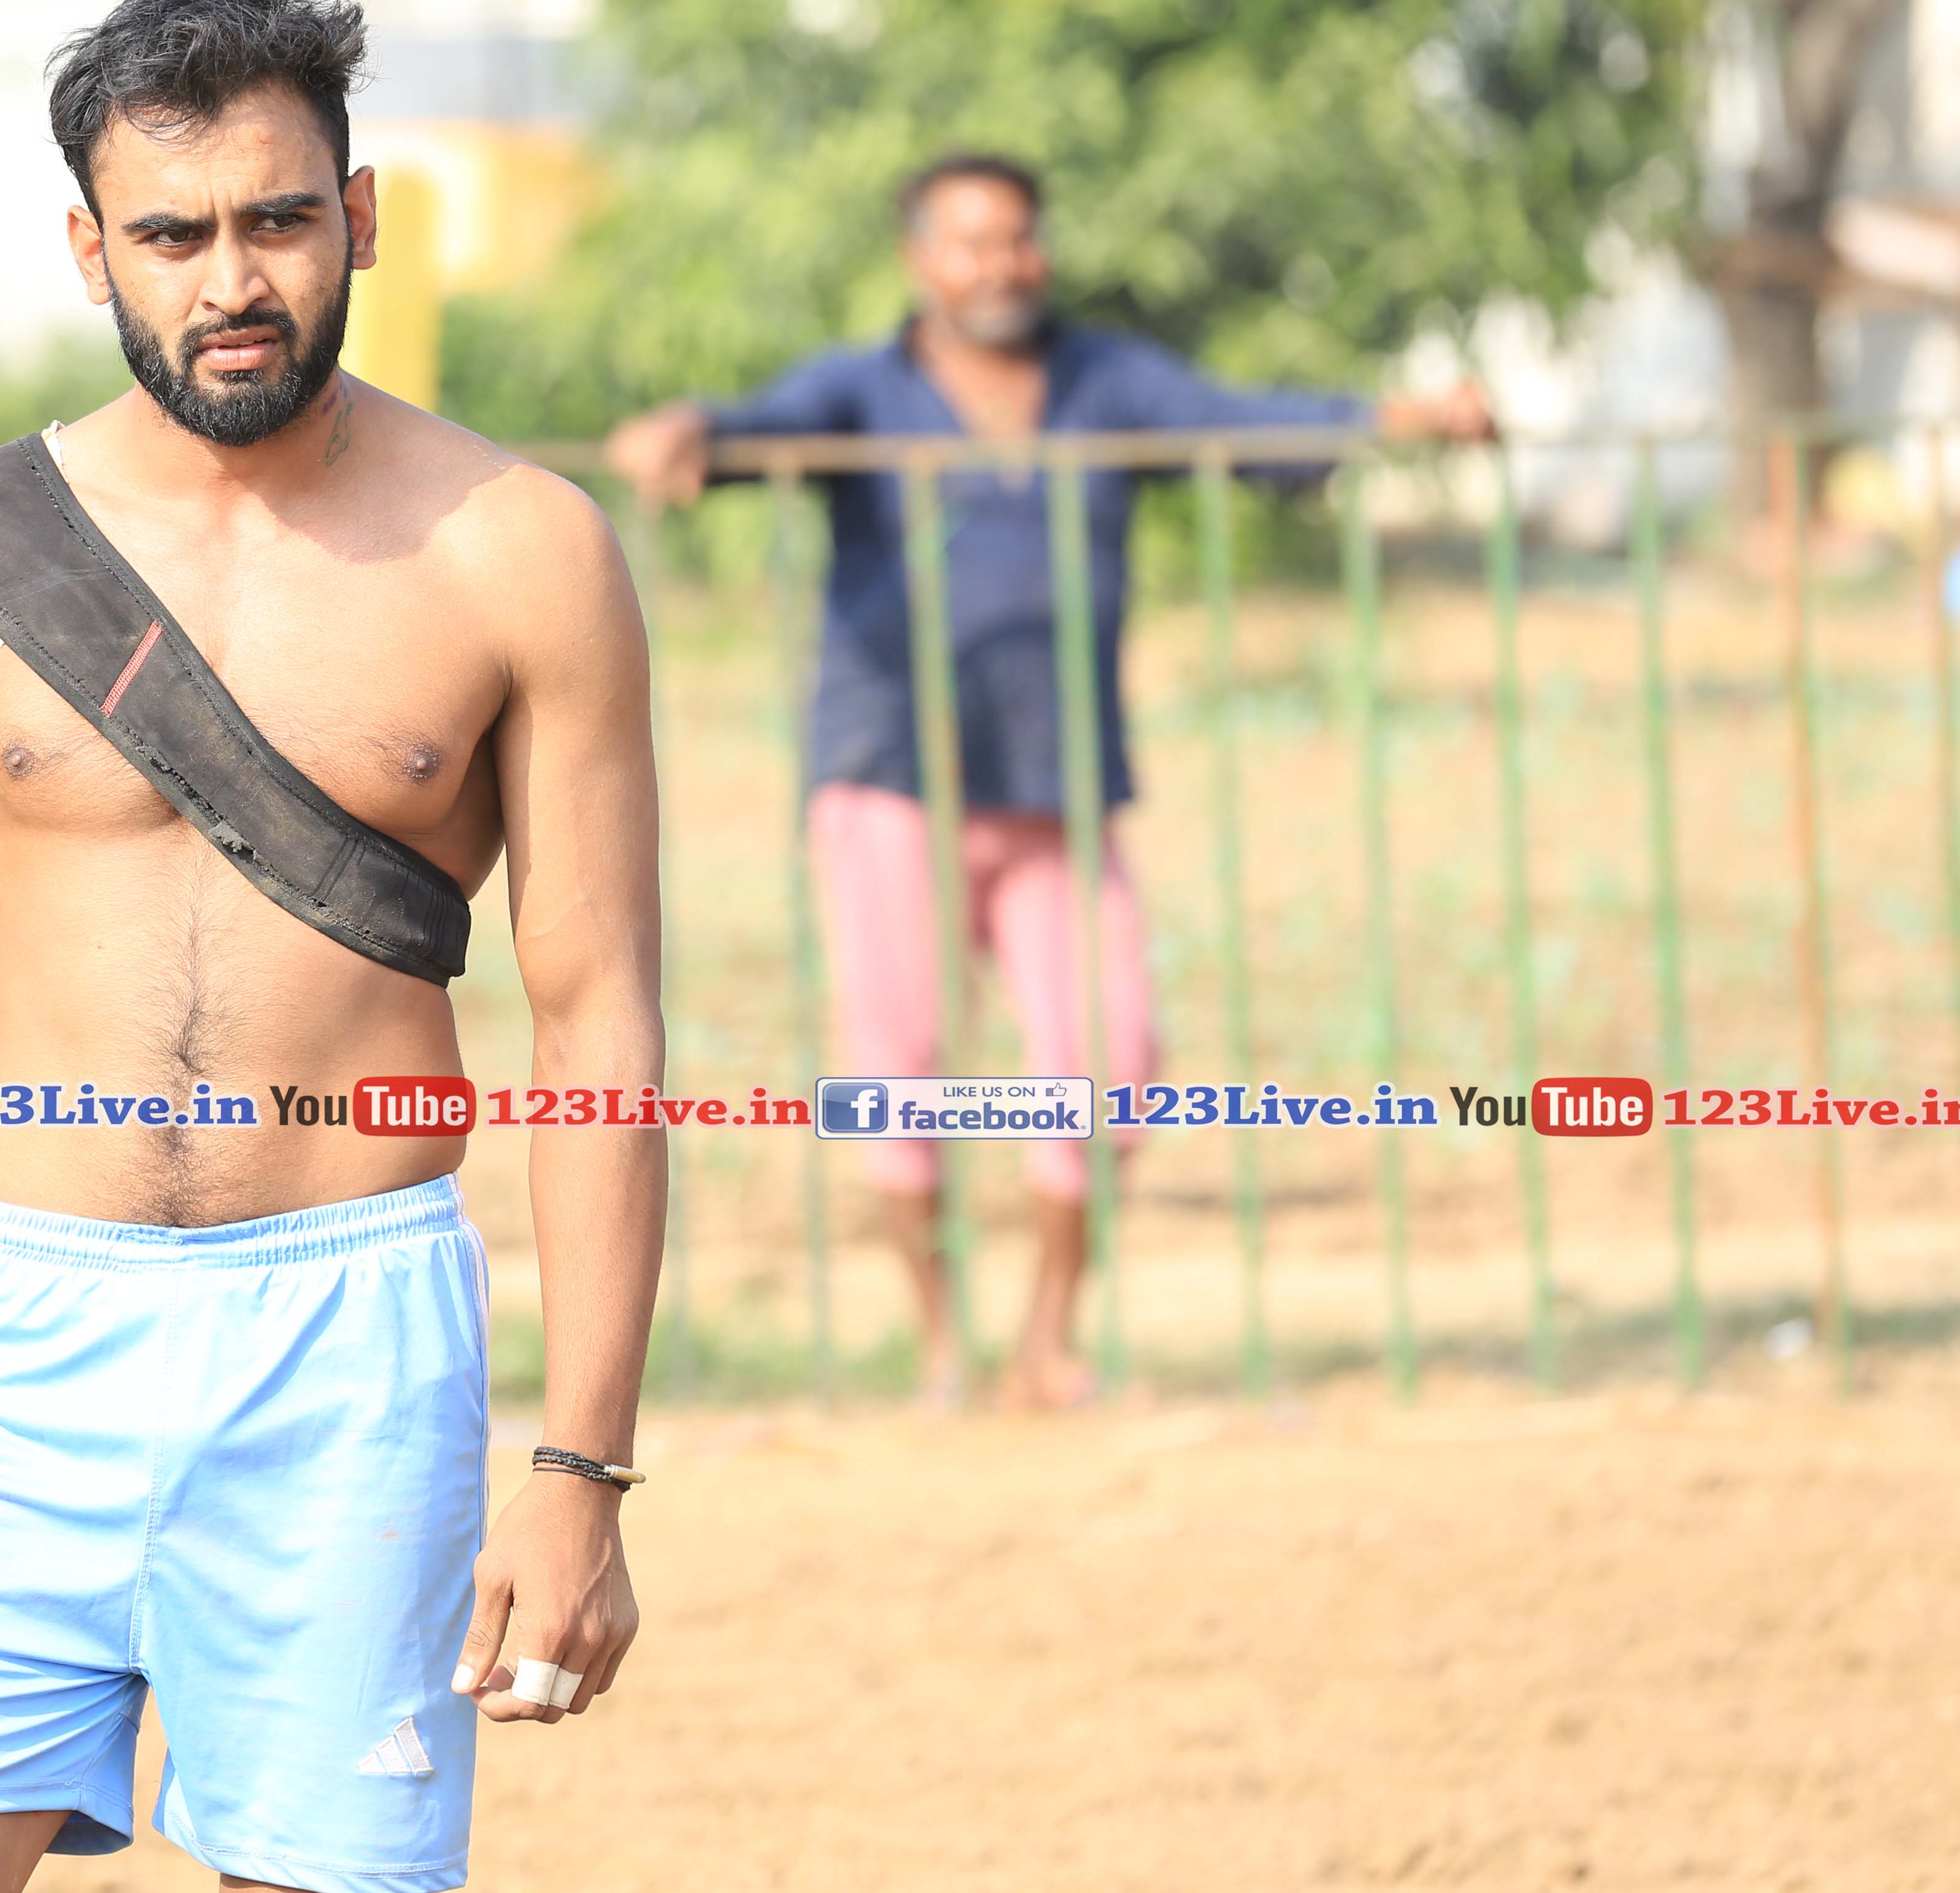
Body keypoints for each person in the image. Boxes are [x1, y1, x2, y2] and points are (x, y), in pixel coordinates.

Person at [0, 0, 663, 1893]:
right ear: (90, 250)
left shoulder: (522, 553)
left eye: (281, 221)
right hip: (26, 1352)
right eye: (175, 233)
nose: (235, 280)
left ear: (360, 217)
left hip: (352, 1350)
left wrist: (583, 1470)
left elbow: (599, 1032)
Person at [607, 153, 1493, 1408]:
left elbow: (1243, 423)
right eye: (971, 243)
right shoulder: (865, 388)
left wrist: (1408, 420)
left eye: (1019, 240)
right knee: (902, 1074)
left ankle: (1046, 1344)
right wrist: (685, 432)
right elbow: (749, 427)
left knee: (1110, 1059)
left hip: (1058, 779)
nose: (1001, 266)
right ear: (922, 260)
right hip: (891, 773)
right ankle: (940, 1348)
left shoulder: (1103, 380)